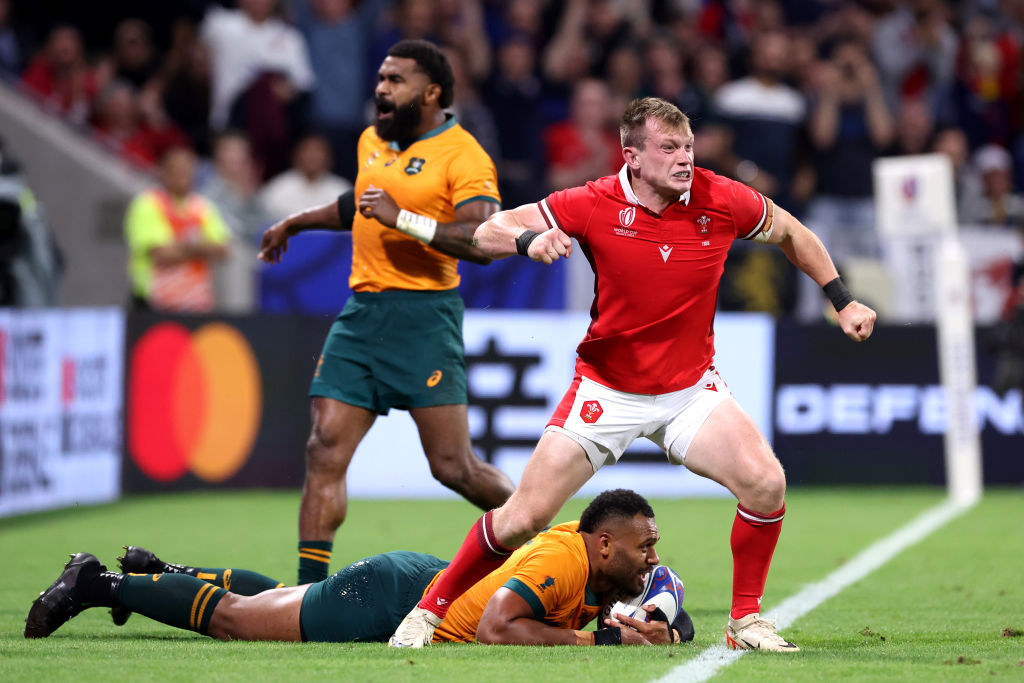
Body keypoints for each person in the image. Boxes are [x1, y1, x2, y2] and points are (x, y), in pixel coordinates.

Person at [390, 97, 877, 652]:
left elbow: (791, 231)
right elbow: (485, 231)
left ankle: (745, 622)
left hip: (689, 391)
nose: (685, 158)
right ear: (633, 157)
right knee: (524, 517)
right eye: (669, 148)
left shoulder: (721, 198)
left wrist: (841, 301)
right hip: (607, 390)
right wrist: (529, 240)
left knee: (766, 484)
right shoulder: (592, 202)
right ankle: (427, 614)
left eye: (688, 147)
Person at [258, 40, 514, 586]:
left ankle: (550, 542)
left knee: (453, 467)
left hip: (425, 318)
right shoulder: (372, 139)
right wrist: (296, 222)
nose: (381, 87)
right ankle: (306, 593)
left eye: (395, 79)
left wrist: (406, 221)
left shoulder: (463, 154)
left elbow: (483, 240)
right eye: (381, 77)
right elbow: (360, 203)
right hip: (363, 313)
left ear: (431, 91)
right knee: (324, 447)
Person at [25, 489, 693, 647]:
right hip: (393, 600)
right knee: (239, 623)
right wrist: (594, 639)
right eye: (645, 548)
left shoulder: (604, 568)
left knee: (285, 596)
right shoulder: (562, 555)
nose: (653, 558)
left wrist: (665, 621)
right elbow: (496, 626)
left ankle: (164, 570)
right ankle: (99, 582)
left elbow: (671, 610)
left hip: (425, 582)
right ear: (603, 544)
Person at [124, 146, 230, 312]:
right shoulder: (148, 204)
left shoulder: (202, 207)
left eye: (188, 171)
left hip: (195, 302)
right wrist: (201, 248)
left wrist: (180, 247)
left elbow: (223, 250)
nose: (183, 177)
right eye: (177, 171)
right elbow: (162, 254)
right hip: (152, 303)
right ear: (163, 172)